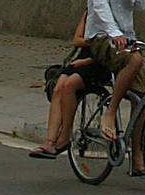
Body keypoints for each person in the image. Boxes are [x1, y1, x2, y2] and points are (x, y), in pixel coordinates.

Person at [84, 0, 145, 146]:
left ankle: (139, 159)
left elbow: (140, 5)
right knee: (135, 60)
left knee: (142, 100)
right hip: (102, 37)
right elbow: (100, 6)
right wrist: (114, 33)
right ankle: (110, 112)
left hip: (127, 39)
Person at [30, 10, 105, 159]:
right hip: (84, 56)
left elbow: (111, 45)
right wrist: (92, 41)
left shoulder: (112, 12)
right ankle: (49, 141)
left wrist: (93, 50)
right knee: (58, 87)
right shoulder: (89, 12)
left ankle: (64, 136)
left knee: (69, 85)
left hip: (100, 60)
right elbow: (77, 39)